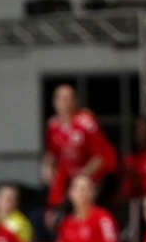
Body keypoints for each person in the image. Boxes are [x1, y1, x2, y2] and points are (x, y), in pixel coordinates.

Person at [43, 84, 118, 227]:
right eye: (61, 99)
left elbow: (100, 158)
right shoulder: (53, 125)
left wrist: (82, 177)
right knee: (54, 207)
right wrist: (47, 168)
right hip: (69, 176)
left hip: (94, 174)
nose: (64, 103)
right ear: (55, 102)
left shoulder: (86, 122)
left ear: (75, 102)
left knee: (82, 196)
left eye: (68, 99)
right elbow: (51, 154)